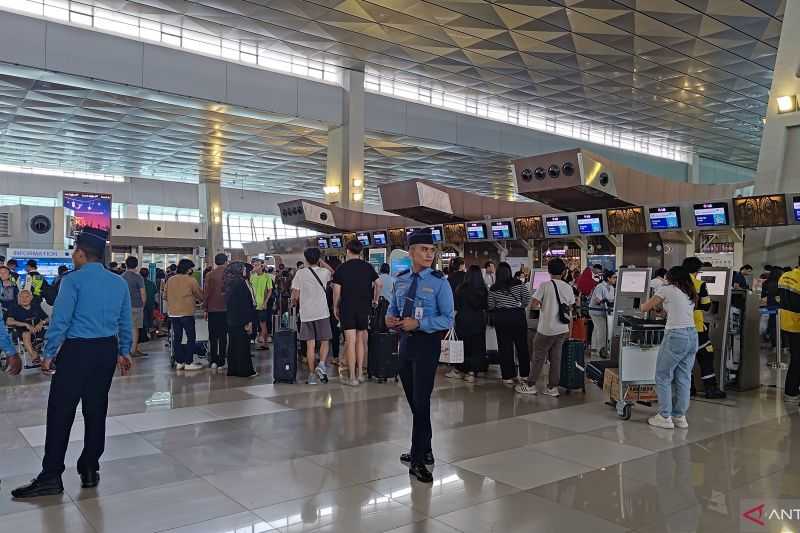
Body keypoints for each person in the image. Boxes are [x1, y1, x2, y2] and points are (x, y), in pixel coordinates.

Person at [11, 228, 133, 498]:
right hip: (106, 351)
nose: (73, 256)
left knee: (60, 412)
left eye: (74, 251)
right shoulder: (118, 282)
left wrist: (48, 354)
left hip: (77, 351)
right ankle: (89, 468)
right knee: (96, 408)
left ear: (80, 253)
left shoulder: (72, 281)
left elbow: (61, 321)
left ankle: (51, 475)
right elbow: (126, 322)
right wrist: (124, 352)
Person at [386, 228, 454, 483]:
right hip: (405, 345)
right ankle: (425, 449)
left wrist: (420, 325)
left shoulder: (439, 282)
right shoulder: (401, 280)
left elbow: (447, 318)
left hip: (427, 346)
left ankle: (417, 460)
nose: (429, 254)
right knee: (415, 403)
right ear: (412, 252)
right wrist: (390, 320)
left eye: (431, 250)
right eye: (423, 250)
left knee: (422, 401)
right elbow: (392, 309)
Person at [641, 266, 698, 429]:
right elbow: (671, 309)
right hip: (692, 335)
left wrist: (645, 306)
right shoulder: (689, 292)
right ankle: (679, 416)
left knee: (663, 375)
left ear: (671, 278)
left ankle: (664, 416)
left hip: (675, 336)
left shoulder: (667, 289)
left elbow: (645, 307)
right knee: (684, 377)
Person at [516, 258, 575, 396]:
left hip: (546, 329)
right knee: (556, 358)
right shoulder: (568, 287)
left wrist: (544, 306)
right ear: (564, 272)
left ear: (549, 271)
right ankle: (552, 388)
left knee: (538, 357)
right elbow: (570, 308)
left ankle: (531, 385)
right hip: (562, 328)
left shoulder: (544, 285)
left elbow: (533, 304)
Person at [332, 239, 380, 386]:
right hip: (363, 308)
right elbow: (379, 283)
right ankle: (360, 374)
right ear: (360, 251)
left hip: (347, 308)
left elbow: (337, 290)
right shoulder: (368, 267)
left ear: (347, 251)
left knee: (350, 341)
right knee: (360, 340)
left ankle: (352, 377)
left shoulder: (341, 268)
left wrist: (335, 307)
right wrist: (375, 299)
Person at [683, 257, 725, 399]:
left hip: (679, 327)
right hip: (696, 326)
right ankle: (710, 389)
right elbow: (706, 306)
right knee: (706, 355)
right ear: (698, 270)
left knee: (685, 359)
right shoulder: (700, 284)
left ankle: (688, 388)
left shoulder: (675, 284)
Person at [291, 248, 334, 384]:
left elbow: (295, 296)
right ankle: (321, 364)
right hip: (322, 312)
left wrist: (295, 301)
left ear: (305, 259)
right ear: (318, 259)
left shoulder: (300, 273)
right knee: (325, 341)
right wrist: (321, 261)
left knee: (310, 345)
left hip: (306, 314)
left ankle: (311, 376)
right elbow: (334, 273)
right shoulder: (324, 272)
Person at [488, 262, 531, 385]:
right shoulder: (519, 284)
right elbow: (527, 298)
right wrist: (520, 306)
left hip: (501, 318)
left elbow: (490, 305)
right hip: (518, 316)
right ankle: (524, 375)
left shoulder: (494, 288)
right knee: (522, 346)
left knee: (504, 348)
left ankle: (508, 376)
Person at [164, 258, 204, 371]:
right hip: (186, 313)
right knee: (191, 338)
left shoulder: (170, 280)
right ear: (188, 269)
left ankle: (179, 362)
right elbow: (199, 295)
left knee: (177, 338)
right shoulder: (191, 280)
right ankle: (188, 362)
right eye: (191, 268)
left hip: (173, 314)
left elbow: (164, 296)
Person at [454, 265, 487, 382]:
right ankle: (472, 373)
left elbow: (456, 306)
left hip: (463, 320)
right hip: (478, 321)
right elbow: (486, 306)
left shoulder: (460, 288)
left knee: (464, 346)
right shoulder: (483, 289)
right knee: (477, 347)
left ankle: (461, 370)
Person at [224, 261, 258, 378]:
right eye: (243, 268)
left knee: (233, 345)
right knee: (243, 345)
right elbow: (245, 304)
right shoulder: (241, 283)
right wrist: (248, 321)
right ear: (239, 270)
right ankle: (245, 370)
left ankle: (232, 369)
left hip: (231, 318)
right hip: (242, 319)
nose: (245, 270)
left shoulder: (229, 282)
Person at [6, 289, 49, 367]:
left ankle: (51, 356)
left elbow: (47, 318)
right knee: (26, 334)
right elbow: (9, 321)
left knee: (52, 332)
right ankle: (34, 357)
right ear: (18, 298)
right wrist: (25, 324)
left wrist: (41, 323)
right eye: (22, 297)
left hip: (37, 330)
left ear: (31, 297)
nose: (24, 299)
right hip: (22, 333)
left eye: (27, 296)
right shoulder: (14, 308)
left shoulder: (36, 307)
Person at [204, 253, 229, 370]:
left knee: (213, 336)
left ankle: (213, 360)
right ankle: (222, 361)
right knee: (223, 336)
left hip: (212, 310)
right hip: (226, 309)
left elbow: (206, 293)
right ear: (225, 261)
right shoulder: (229, 274)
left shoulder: (209, 275)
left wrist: (205, 308)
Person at [779, 264, 800, 404]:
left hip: (786, 321)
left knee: (796, 357)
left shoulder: (785, 276)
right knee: (798, 359)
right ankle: (791, 392)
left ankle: (791, 391)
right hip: (797, 323)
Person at [121, 257, 147, 358]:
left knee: (124, 328)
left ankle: (125, 350)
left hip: (124, 307)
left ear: (126, 264)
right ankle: (133, 350)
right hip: (136, 306)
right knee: (135, 328)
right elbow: (143, 294)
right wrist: (143, 305)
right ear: (136, 265)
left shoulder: (121, 277)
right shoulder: (138, 277)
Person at [589, 270, 616, 359]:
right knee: (602, 329)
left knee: (597, 329)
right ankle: (601, 350)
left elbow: (611, 300)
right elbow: (598, 300)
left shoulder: (612, 288)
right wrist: (604, 301)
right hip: (596, 312)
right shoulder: (600, 286)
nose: (615, 279)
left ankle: (594, 349)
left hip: (604, 312)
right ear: (608, 278)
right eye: (614, 277)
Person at [250, 259, 273, 350]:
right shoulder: (252, 277)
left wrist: (265, 302)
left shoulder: (267, 277)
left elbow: (270, 290)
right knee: (252, 323)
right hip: (253, 304)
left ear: (261, 266)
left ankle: (265, 343)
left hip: (262, 305)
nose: (255, 267)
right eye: (254, 265)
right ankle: (253, 339)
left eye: (257, 265)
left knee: (263, 324)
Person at [139, 268, 157, 342]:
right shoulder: (152, 283)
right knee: (150, 321)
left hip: (141, 305)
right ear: (148, 274)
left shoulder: (139, 283)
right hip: (150, 304)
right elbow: (156, 294)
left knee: (143, 321)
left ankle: (143, 336)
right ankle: (152, 336)